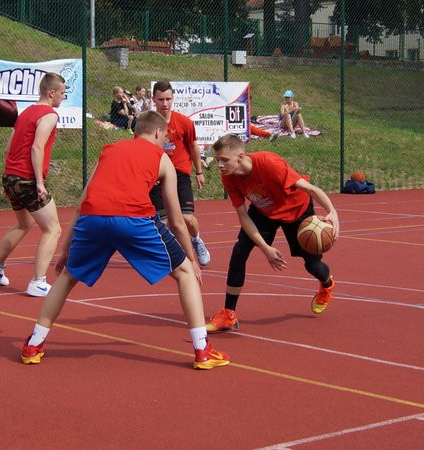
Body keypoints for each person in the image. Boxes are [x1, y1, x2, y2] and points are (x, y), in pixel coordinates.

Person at [20, 111, 230, 370]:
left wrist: (65, 251)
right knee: (184, 272)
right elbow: (176, 220)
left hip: (93, 218)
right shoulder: (162, 158)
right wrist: (191, 259)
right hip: (133, 218)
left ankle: (34, 344)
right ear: (157, 133)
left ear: (135, 131)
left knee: (67, 277)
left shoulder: (109, 150)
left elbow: (80, 205)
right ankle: (202, 350)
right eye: (164, 136)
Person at [205, 134, 339, 333]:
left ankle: (326, 284)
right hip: (263, 211)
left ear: (240, 157)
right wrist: (266, 248)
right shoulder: (229, 177)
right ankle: (228, 314)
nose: (220, 165)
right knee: (239, 251)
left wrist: (332, 212)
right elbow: (243, 216)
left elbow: (310, 189)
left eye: (224, 160)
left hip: (297, 210)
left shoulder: (269, 163)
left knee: (312, 264)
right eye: (217, 160)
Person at [0, 72, 66, 296]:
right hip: (27, 179)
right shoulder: (49, 115)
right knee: (53, 229)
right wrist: (40, 182)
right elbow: (37, 148)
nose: (63, 97)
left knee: (23, 223)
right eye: (62, 93)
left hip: (11, 176)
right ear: (52, 93)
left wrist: (8, 175)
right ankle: (38, 281)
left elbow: (9, 148)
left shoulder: (26, 112)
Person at [149, 80, 210, 266]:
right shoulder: (147, 124)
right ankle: (167, 253)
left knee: (187, 219)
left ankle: (197, 240)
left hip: (180, 174)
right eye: (161, 99)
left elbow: (192, 146)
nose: (165, 103)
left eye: (168, 99)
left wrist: (199, 171)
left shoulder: (184, 122)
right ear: (154, 100)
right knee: (163, 222)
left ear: (173, 99)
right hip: (157, 176)